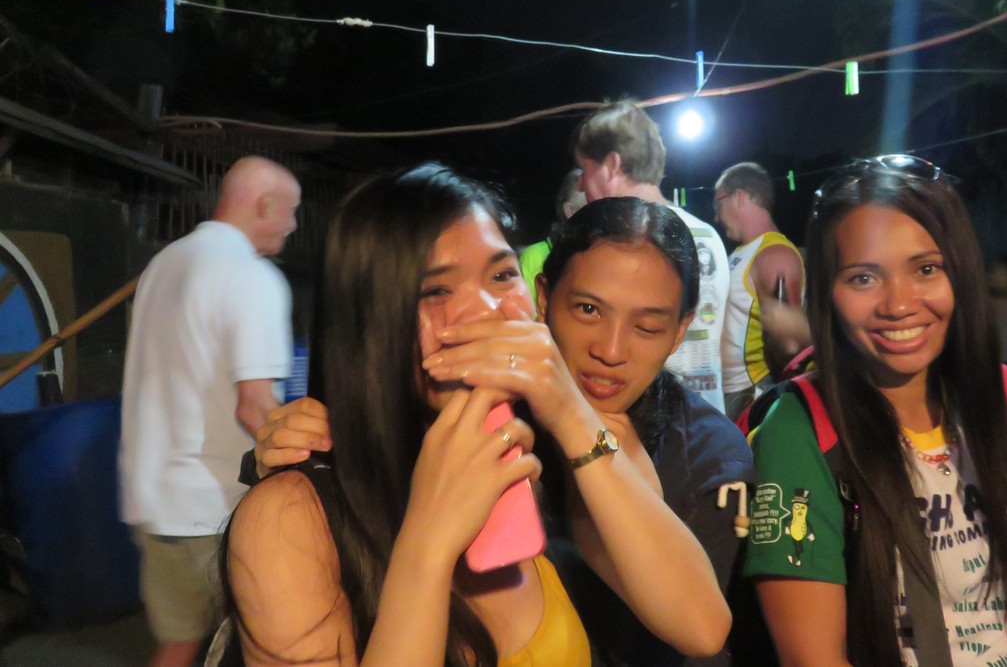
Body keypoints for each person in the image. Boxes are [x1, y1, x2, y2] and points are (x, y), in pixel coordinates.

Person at [221, 165, 730, 665]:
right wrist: (428, 545)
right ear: (368, 325)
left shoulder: (557, 441)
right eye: (435, 290)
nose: (488, 309)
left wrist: (571, 414)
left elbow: (701, 626)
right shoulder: (293, 519)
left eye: (502, 275)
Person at [742, 155, 1007, 666]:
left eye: (926, 269)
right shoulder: (801, 430)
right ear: (827, 292)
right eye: (863, 278)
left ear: (961, 273)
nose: (899, 305)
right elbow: (814, 657)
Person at [119, 156, 299, 667]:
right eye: (290, 211)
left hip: (153, 494)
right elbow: (255, 406)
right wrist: (316, 467)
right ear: (265, 205)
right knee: (267, 644)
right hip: (213, 503)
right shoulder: (251, 276)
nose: (292, 225)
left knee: (179, 644)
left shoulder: (165, 263)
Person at [573, 100, 730, 414]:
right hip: (706, 420)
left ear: (612, 165)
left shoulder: (622, 245)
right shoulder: (708, 235)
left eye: (585, 169)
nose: (580, 184)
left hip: (644, 426)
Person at [712, 162, 810, 419]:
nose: (716, 218)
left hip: (750, 393)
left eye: (717, 205)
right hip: (727, 392)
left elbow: (791, 344)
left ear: (738, 197)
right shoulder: (741, 252)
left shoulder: (774, 254)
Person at [520, 168, 587, 312]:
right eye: (590, 205)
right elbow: (527, 314)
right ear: (569, 210)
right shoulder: (535, 256)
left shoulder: (606, 253)